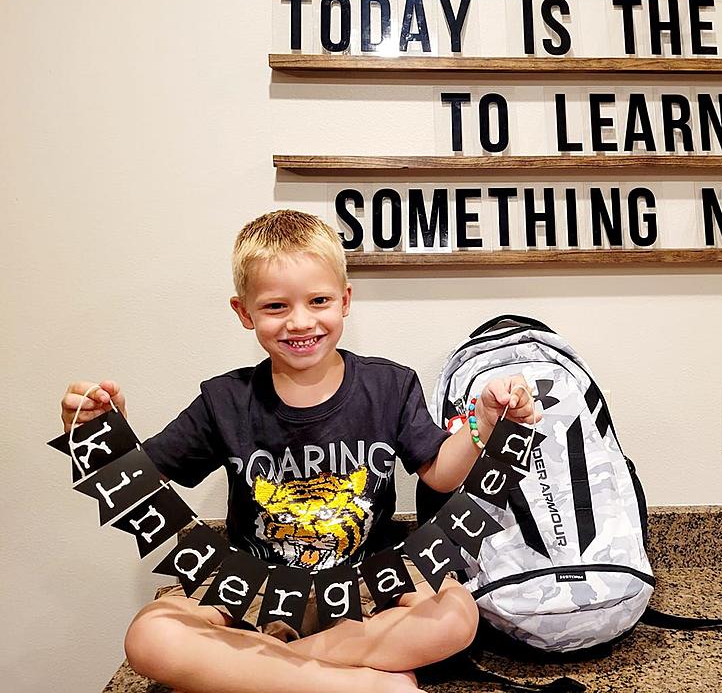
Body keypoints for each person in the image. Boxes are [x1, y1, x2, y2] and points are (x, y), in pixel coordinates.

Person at [59, 209, 539, 693]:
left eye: (319, 300)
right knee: (149, 636)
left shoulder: (389, 385)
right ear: (244, 312)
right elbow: (141, 483)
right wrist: (99, 433)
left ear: (345, 300)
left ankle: (273, 672)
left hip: (368, 590)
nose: (300, 321)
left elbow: (440, 473)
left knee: (456, 615)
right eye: (275, 307)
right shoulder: (223, 401)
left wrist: (483, 422)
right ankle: (354, 685)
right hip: (250, 593)